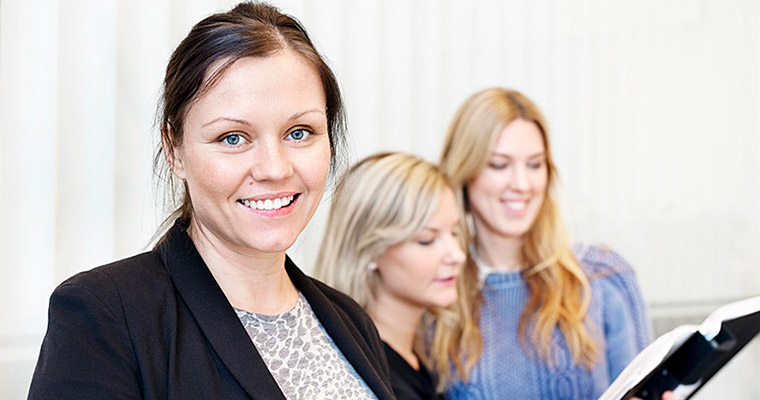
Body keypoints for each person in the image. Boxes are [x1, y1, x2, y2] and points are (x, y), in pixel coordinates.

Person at [28, 3, 395, 399]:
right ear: (175, 149)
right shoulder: (106, 316)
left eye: (299, 132)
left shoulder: (351, 321)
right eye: (232, 138)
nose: (274, 169)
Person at [439, 88, 652, 399]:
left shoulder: (604, 277)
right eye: (499, 165)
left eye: (535, 164)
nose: (522, 184)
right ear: (464, 173)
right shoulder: (440, 294)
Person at [314, 152, 482, 400]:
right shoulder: (360, 377)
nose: (457, 255)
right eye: (426, 240)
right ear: (370, 251)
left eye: (455, 233)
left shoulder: (420, 358)